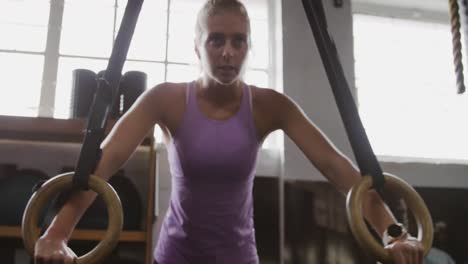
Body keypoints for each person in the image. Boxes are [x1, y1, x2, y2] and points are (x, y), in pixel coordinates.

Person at [34, 0, 425, 263]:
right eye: (216, 40)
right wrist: (57, 233)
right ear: (197, 47)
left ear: (248, 47)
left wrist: (393, 232)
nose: (227, 53)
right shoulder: (164, 100)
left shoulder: (272, 106)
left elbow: (341, 172)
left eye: (239, 42)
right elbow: (101, 166)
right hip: (174, 256)